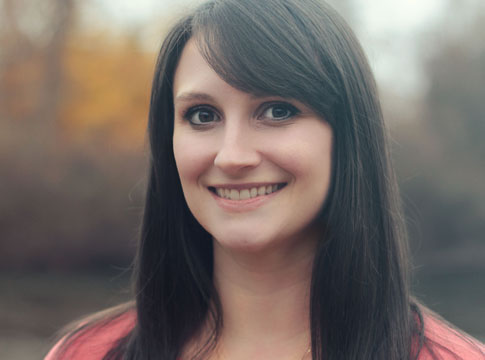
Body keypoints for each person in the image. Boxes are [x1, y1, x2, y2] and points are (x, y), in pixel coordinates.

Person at [45, 0, 485, 359]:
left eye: (277, 110)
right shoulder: (85, 353)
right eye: (202, 115)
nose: (233, 156)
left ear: (349, 135)